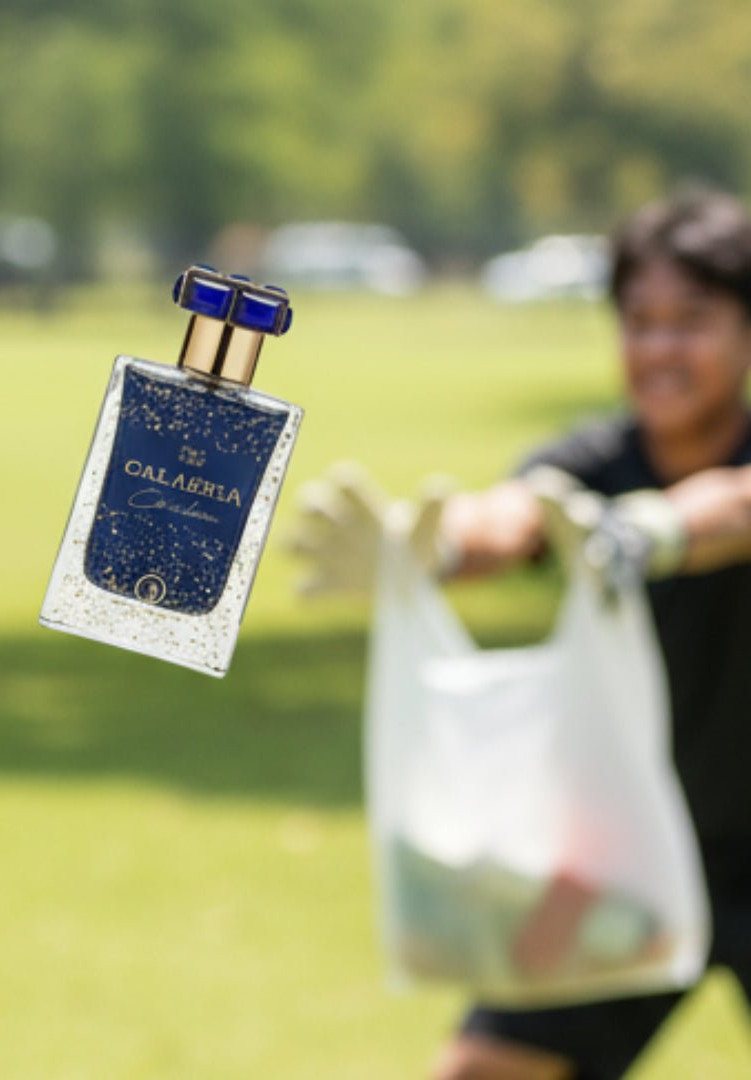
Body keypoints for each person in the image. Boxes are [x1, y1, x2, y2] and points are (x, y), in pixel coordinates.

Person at [291, 188, 751, 1079]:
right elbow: (518, 516)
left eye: (690, 321)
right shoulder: (593, 462)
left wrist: (646, 532)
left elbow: (733, 506)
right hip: (637, 845)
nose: (659, 348)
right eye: (639, 321)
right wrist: (429, 545)